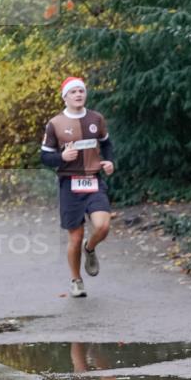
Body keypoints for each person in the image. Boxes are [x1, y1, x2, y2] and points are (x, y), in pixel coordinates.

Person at [40, 77, 114, 298]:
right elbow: (44, 157)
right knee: (75, 236)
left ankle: (89, 249)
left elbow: (107, 143)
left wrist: (109, 161)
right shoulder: (55, 124)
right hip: (69, 183)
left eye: (81, 91)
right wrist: (61, 157)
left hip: (93, 179)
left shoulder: (96, 118)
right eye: (73, 92)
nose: (78, 95)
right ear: (65, 97)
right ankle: (76, 280)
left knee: (102, 226)